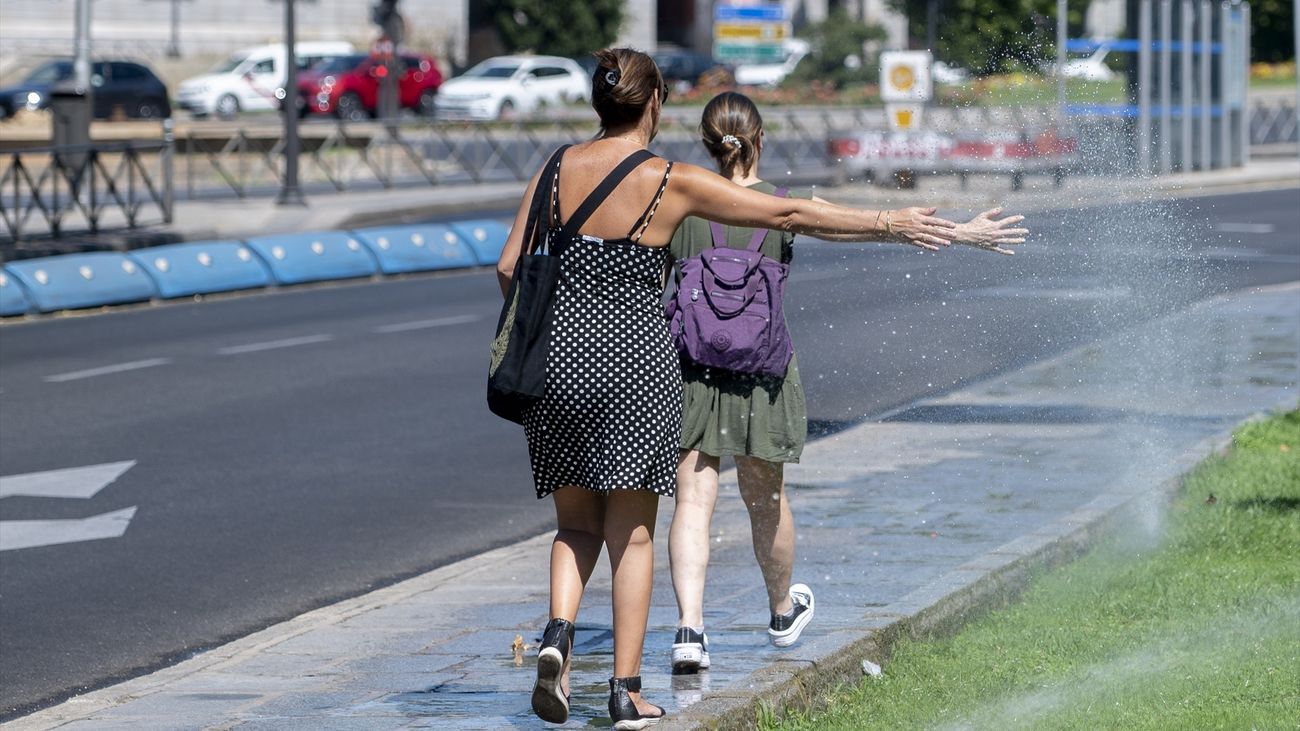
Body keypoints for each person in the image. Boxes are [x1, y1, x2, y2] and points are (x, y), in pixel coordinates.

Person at [496, 51, 1024, 730]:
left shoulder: (553, 169)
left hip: (559, 366)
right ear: (652, 104)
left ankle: (558, 634)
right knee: (630, 534)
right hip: (634, 367)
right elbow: (788, 211)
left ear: (601, 105)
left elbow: (511, 265)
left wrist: (561, 326)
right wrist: (890, 221)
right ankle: (626, 692)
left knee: (574, 524)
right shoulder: (669, 180)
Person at [665, 91, 1027, 674]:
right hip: (763, 373)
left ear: (708, 145)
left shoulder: (679, 206)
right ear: (759, 141)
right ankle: (782, 612)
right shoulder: (784, 207)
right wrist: (961, 233)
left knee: (694, 496)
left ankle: (690, 631)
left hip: (694, 371)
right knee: (765, 498)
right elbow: (855, 227)